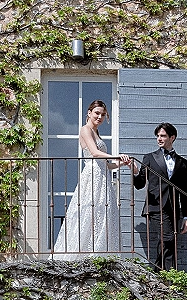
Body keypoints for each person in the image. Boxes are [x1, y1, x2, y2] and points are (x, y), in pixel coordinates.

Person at [53, 100, 132, 258]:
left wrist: (121, 163)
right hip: (92, 176)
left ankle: (98, 254)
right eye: (97, 113)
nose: (100, 116)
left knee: (102, 213)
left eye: (103, 114)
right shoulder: (85, 129)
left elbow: (106, 164)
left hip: (103, 177)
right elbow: (95, 153)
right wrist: (117, 155)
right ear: (89, 113)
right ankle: (84, 254)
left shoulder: (96, 133)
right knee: (88, 212)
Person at [132, 122, 187, 270]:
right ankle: (168, 276)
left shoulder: (182, 163)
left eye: (163, 136)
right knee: (168, 239)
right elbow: (140, 184)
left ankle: (159, 273)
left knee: (167, 242)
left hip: (173, 209)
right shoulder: (149, 158)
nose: (159, 139)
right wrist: (134, 171)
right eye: (158, 136)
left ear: (172, 137)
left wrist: (186, 216)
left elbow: (184, 190)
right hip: (155, 206)